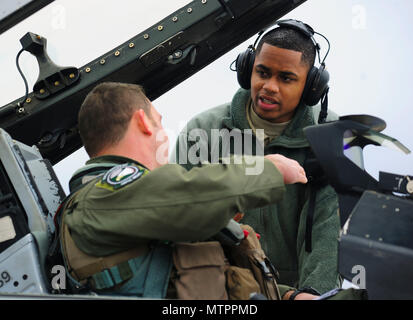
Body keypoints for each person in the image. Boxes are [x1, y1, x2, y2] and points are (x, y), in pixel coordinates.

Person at [55, 81, 308, 299]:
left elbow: (180, 271)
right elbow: (194, 193)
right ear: (143, 122)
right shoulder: (105, 195)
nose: (165, 136)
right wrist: (267, 169)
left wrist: (288, 295)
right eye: (159, 122)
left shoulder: (124, 207)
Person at [172, 19, 342, 299]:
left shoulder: (331, 136)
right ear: (247, 69)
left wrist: (312, 294)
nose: (269, 86)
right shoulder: (202, 131)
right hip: (220, 291)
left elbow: (329, 226)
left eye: (286, 78)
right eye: (262, 72)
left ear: (311, 87)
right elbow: (181, 219)